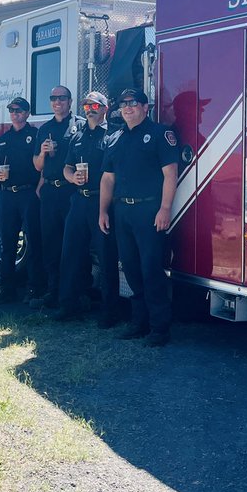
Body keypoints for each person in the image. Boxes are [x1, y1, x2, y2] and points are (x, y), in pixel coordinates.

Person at [99, 88, 179, 346]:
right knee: (131, 268)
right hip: (122, 211)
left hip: (149, 212)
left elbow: (170, 174)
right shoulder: (114, 139)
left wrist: (165, 208)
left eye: (133, 103)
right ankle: (139, 322)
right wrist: (102, 210)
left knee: (150, 269)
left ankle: (159, 328)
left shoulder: (159, 134)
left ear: (146, 107)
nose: (128, 107)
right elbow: (108, 179)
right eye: (124, 104)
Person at [55, 91, 121, 325]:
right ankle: (68, 305)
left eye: (94, 105)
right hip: (79, 200)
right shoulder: (78, 135)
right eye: (86, 106)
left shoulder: (115, 134)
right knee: (70, 253)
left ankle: (110, 311)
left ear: (106, 108)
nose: (89, 109)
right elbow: (66, 168)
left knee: (106, 257)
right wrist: (73, 178)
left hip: (103, 203)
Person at [0, 96, 45, 305]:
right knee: (8, 243)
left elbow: (43, 164)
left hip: (29, 193)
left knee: (34, 243)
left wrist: (39, 187)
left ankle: (35, 288)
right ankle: (6, 289)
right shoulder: (3, 138)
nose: (15, 113)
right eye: (11, 110)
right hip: (7, 195)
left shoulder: (35, 134)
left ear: (27, 113)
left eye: (19, 110)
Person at [32, 85, 82, 310]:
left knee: (73, 245)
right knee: (50, 243)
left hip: (72, 192)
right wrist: (42, 152)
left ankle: (76, 293)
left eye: (62, 98)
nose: (57, 101)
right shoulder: (44, 129)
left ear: (70, 101)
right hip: (50, 191)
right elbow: (37, 165)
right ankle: (53, 291)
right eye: (53, 98)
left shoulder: (79, 125)